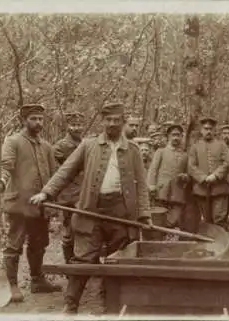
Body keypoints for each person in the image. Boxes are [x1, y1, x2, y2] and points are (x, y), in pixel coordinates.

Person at [29, 102, 152, 314]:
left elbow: (141, 185)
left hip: (121, 213)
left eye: (116, 120)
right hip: (91, 211)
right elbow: (65, 171)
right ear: (102, 122)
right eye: (108, 120)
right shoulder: (88, 145)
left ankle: (112, 305)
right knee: (83, 257)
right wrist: (46, 193)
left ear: (123, 122)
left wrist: (144, 214)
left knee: (118, 259)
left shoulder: (132, 150)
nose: (112, 124)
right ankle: (70, 306)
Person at [0, 104, 62, 303]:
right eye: (33, 119)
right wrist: (1, 181)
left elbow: (53, 175)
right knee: (14, 245)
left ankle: (37, 280)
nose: (38, 122)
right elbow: (6, 166)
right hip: (19, 205)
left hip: (40, 205)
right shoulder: (12, 141)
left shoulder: (47, 146)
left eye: (40, 119)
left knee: (39, 243)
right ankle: (11, 284)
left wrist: (51, 200)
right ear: (24, 120)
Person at [53, 111, 85, 264]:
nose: (77, 128)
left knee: (83, 230)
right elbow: (60, 172)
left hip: (83, 194)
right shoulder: (60, 147)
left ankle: (80, 262)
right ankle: (69, 264)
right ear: (67, 126)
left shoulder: (85, 144)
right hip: (68, 196)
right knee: (69, 232)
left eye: (79, 125)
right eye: (74, 125)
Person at [188, 117, 229, 229]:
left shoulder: (222, 145)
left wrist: (215, 176)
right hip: (201, 190)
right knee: (206, 220)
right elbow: (191, 166)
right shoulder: (195, 147)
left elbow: (227, 163)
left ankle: (221, 244)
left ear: (214, 130)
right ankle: (209, 245)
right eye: (205, 129)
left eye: (211, 129)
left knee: (220, 219)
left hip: (219, 189)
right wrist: (203, 178)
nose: (208, 131)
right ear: (201, 130)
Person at [147, 124, 189, 233]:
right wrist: (151, 185)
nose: (176, 138)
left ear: (181, 137)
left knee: (174, 217)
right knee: (159, 216)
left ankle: (168, 233)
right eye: (173, 135)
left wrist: (185, 177)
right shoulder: (161, 152)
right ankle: (159, 237)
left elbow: (189, 173)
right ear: (168, 137)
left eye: (178, 135)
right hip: (161, 191)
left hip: (178, 192)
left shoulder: (185, 155)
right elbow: (153, 170)